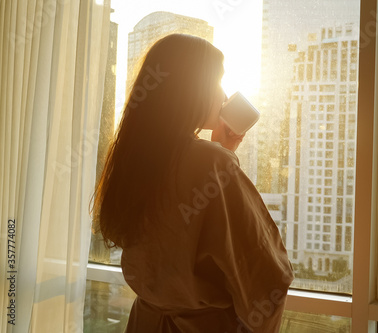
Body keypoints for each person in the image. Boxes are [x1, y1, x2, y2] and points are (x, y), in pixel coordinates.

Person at [91, 33, 294, 332]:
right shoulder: (211, 164)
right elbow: (268, 276)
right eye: (217, 82)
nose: (224, 95)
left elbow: (171, 244)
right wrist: (221, 159)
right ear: (192, 89)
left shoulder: (136, 159)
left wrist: (221, 153)